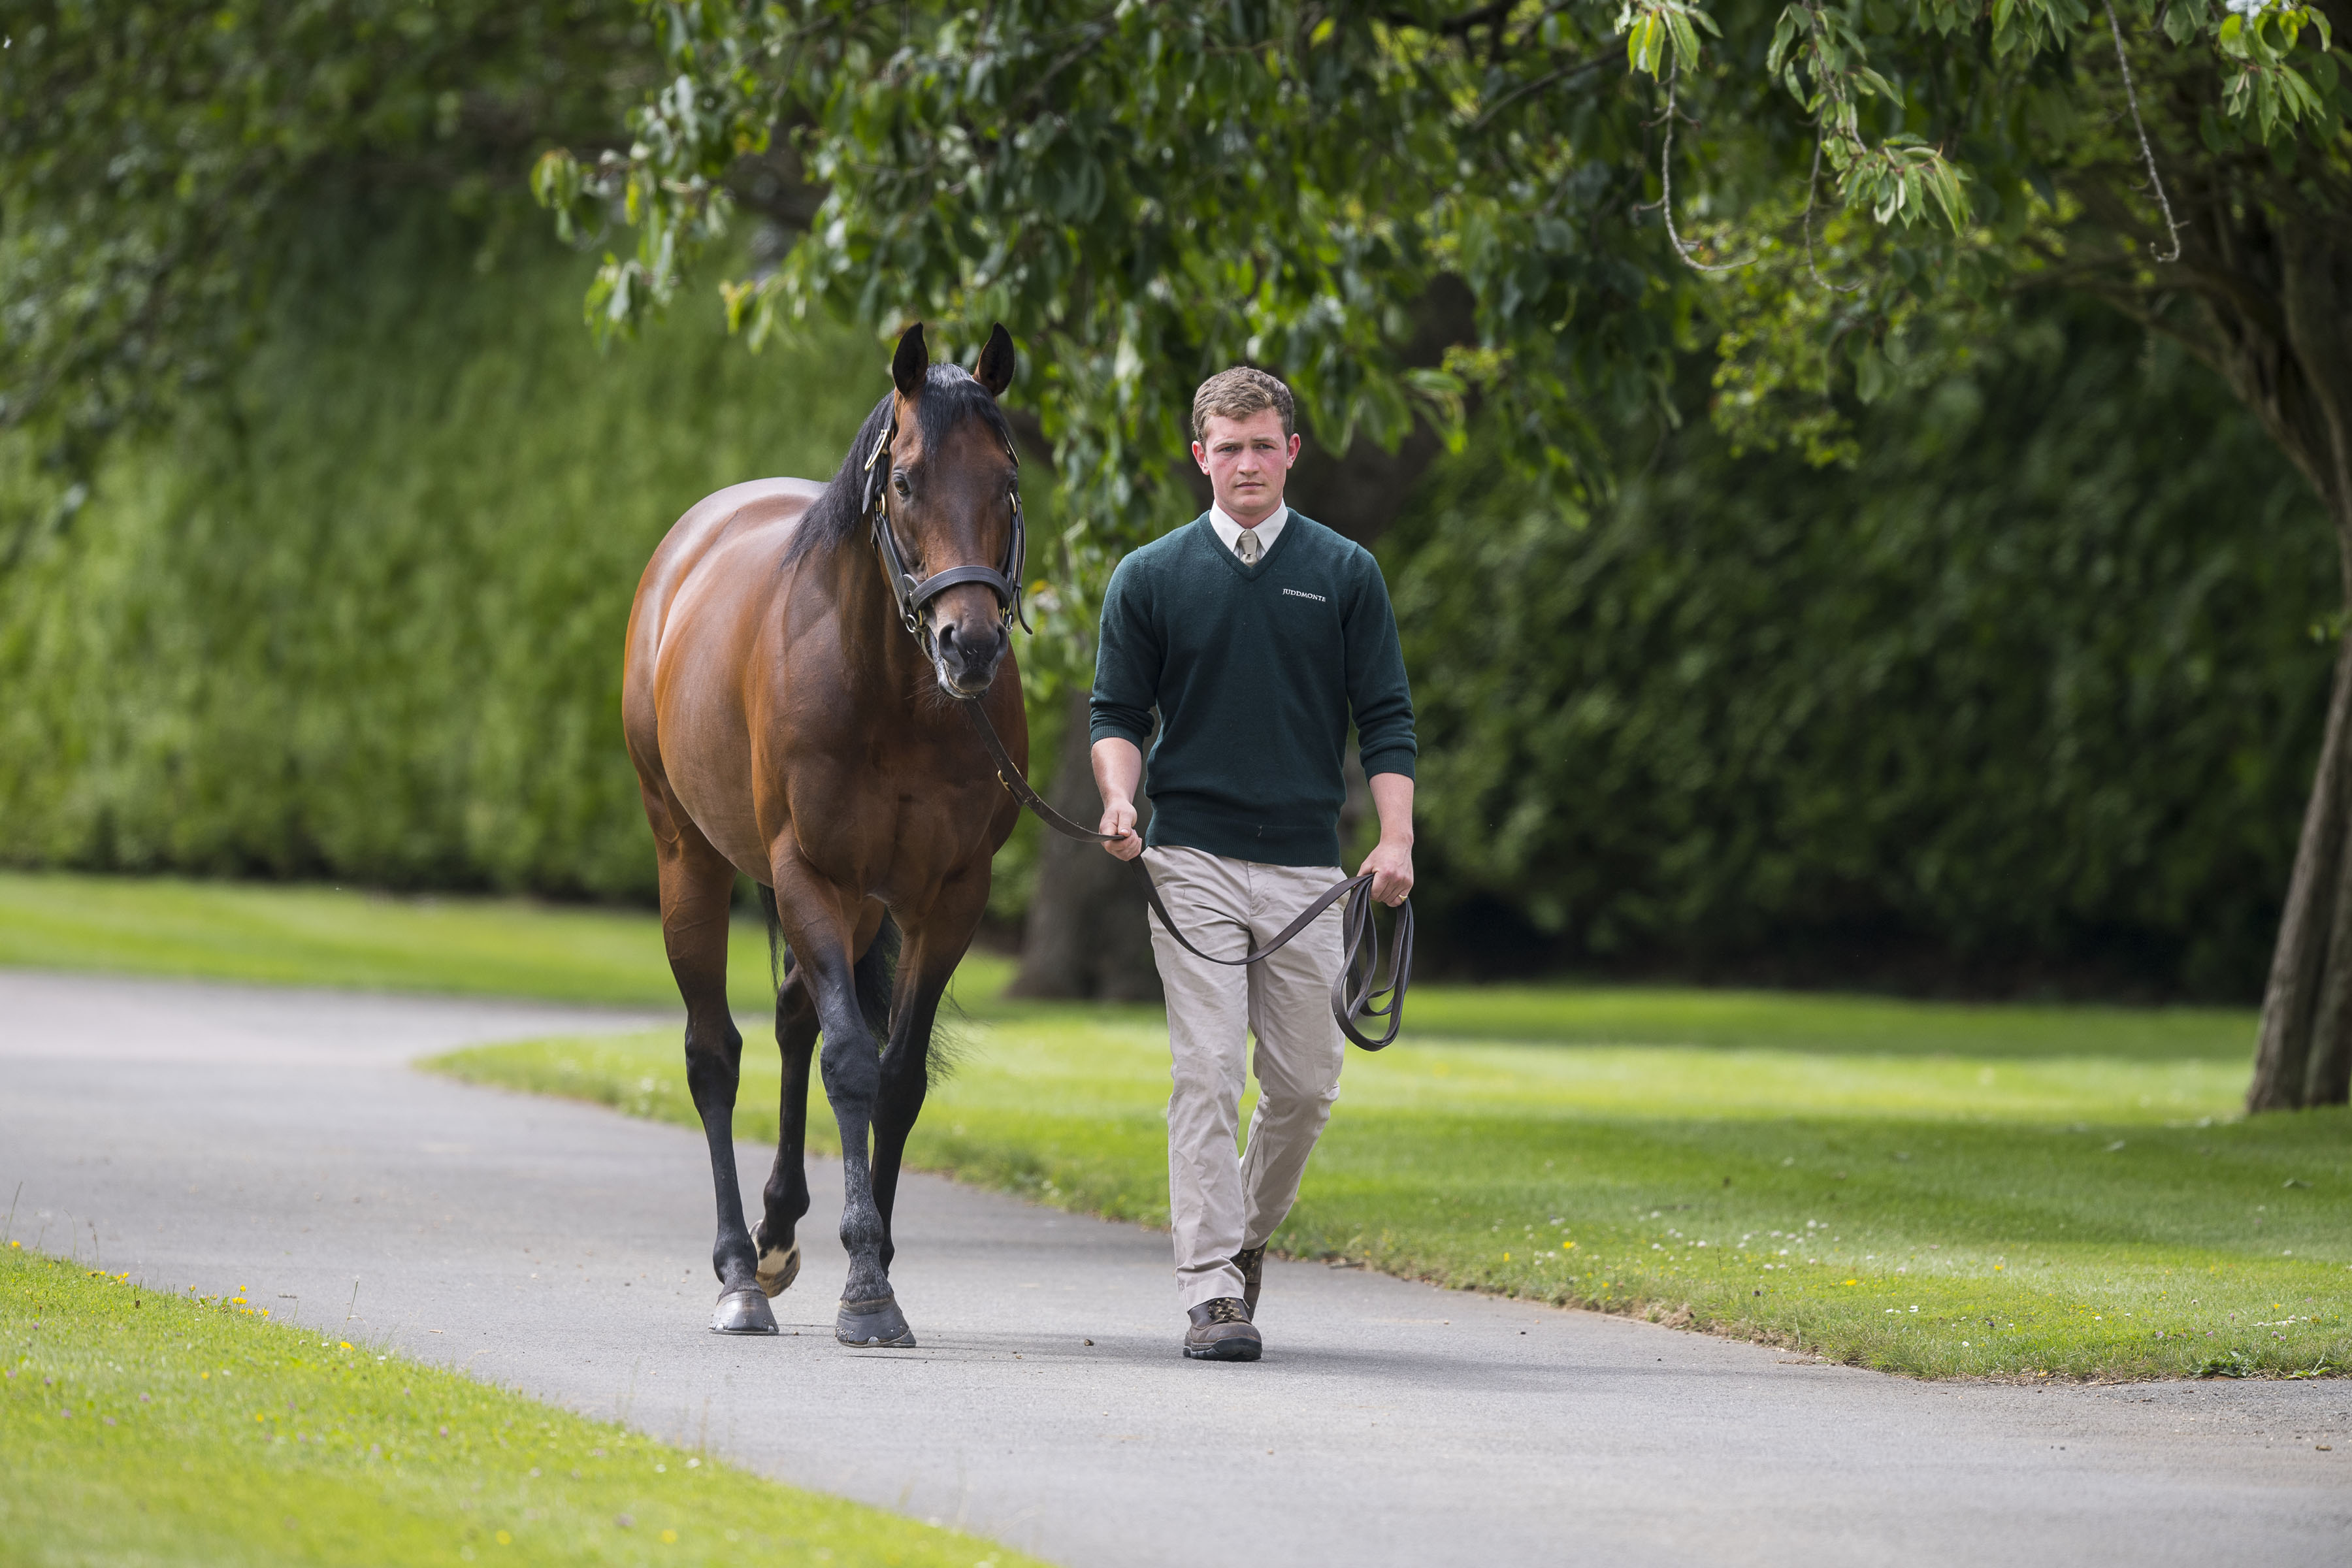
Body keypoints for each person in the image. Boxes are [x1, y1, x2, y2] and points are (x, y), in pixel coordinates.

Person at [1088, 366, 1418, 1363]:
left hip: (1312, 875)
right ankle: (1211, 1291)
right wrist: (1117, 797)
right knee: (1206, 1068)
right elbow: (1115, 717)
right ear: (1201, 458)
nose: (1245, 464)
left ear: (1291, 453)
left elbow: (1387, 720)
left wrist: (1396, 839)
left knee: (1308, 1088)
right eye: (1226, 448)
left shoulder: (1346, 572)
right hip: (1189, 860)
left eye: (1261, 445)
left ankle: (1243, 1239)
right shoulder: (1149, 577)